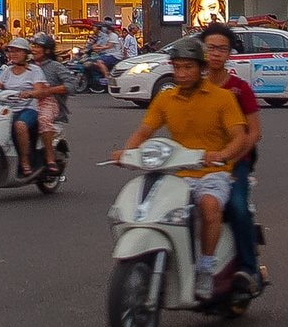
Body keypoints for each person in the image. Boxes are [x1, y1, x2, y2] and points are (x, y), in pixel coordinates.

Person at [110, 38, 249, 300]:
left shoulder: (222, 98)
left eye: (188, 67)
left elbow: (239, 137)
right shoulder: (166, 98)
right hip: (179, 173)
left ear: (201, 68)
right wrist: (127, 152)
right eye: (177, 67)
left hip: (213, 172)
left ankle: (206, 267)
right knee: (150, 209)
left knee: (209, 206)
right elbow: (143, 132)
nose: (182, 73)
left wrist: (221, 155)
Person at [199, 24, 265, 290]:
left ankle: (249, 269)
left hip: (235, 164)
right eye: (210, 48)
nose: (215, 54)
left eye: (222, 49)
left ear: (229, 54)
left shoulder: (239, 89)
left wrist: (230, 156)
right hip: (198, 162)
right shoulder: (193, 87)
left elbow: (254, 133)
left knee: (237, 206)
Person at [0, 38, 47, 176]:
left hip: (28, 109)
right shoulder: (6, 71)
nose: (13, 54)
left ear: (26, 53)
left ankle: (25, 161)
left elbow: (40, 90)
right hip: (7, 110)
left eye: (17, 51)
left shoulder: (34, 70)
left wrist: (29, 93)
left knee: (20, 125)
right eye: (11, 51)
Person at [29, 33, 72, 178]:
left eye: (37, 47)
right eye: (33, 46)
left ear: (47, 50)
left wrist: (48, 91)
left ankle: (50, 158)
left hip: (50, 108)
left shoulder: (55, 67)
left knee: (43, 120)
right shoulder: (27, 67)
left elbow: (71, 85)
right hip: (27, 105)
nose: (33, 49)